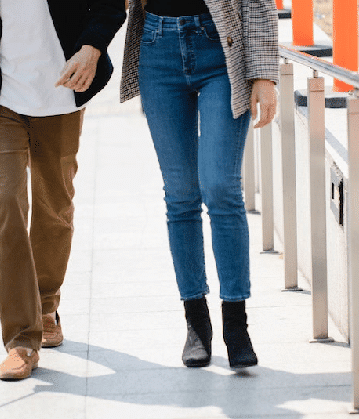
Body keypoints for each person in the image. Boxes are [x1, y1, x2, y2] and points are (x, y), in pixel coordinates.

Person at [0, 0, 126, 380]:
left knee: (54, 205)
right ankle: (20, 338)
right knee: (6, 203)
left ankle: (46, 304)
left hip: (60, 93)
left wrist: (91, 47)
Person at [121, 0, 278, 368]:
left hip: (220, 48)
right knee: (180, 194)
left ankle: (236, 324)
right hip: (157, 47)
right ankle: (196, 322)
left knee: (221, 187)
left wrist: (264, 75)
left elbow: (257, 4)